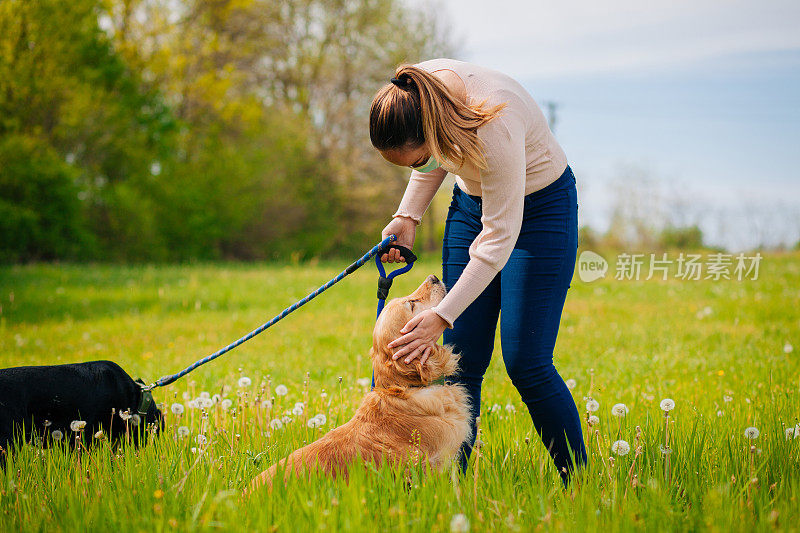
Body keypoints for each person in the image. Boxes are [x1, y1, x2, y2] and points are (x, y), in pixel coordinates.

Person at [368, 58, 587, 483]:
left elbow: (498, 238)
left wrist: (443, 314)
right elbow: (432, 161)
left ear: (432, 132)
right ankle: (454, 486)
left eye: (418, 160)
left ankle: (579, 482)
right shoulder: (418, 93)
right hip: (472, 204)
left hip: (540, 211)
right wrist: (408, 216)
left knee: (527, 362)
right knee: (463, 359)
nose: (421, 167)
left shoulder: (493, 121)